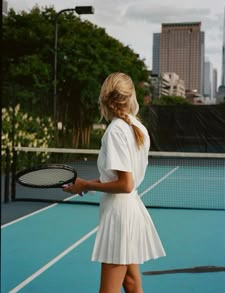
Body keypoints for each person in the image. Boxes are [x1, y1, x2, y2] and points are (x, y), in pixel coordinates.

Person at [63, 72, 166, 293]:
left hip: (120, 217)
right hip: (129, 210)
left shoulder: (115, 131)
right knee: (131, 283)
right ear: (131, 97)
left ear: (104, 99)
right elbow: (118, 178)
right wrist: (82, 185)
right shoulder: (138, 128)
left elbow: (125, 184)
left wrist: (87, 185)